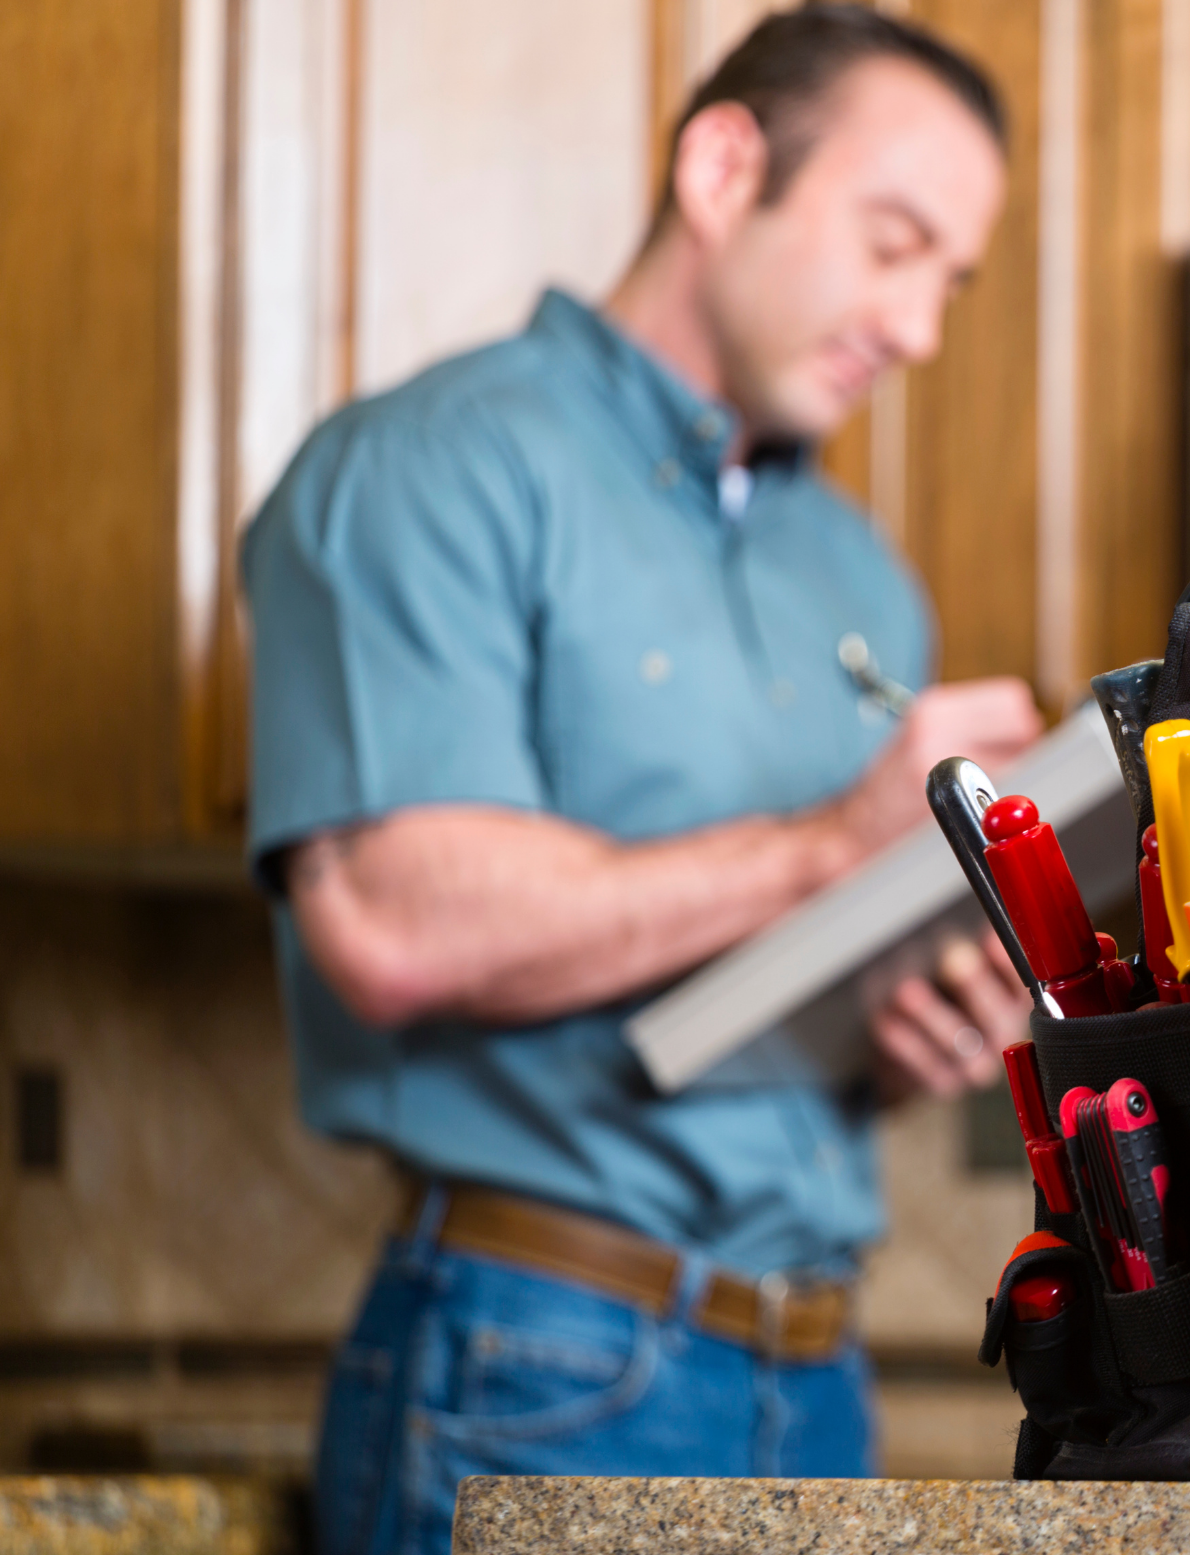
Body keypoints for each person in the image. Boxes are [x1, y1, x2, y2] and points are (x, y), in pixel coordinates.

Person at [240, 11, 1040, 1552]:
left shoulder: (856, 571)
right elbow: (395, 925)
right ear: (726, 167)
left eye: (950, 280)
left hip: (817, 1375)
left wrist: (903, 1020)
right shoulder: (426, 468)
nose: (922, 329)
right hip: (539, 1356)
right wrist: (837, 843)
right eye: (892, 245)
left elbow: (776, 975)